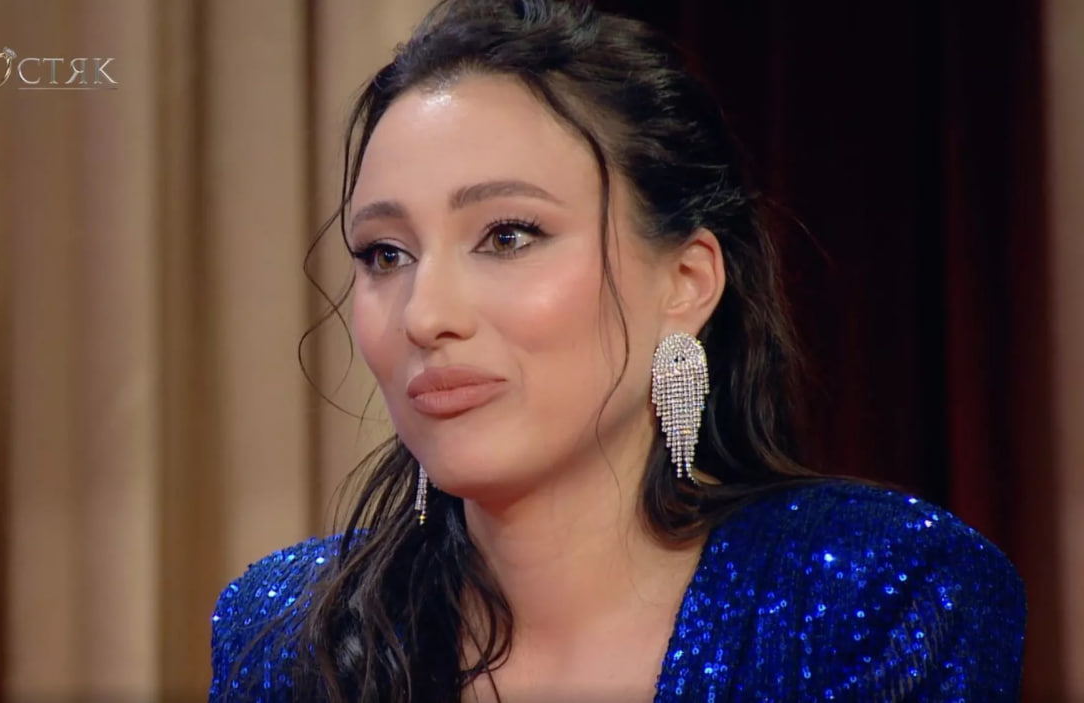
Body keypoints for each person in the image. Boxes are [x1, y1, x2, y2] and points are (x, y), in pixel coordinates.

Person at [208, 1, 1027, 700]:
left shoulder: (881, 595)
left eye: (508, 235)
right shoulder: (288, 634)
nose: (425, 315)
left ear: (686, 282)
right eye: (386, 253)